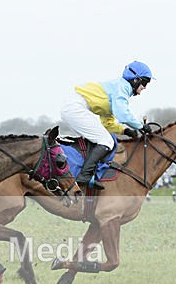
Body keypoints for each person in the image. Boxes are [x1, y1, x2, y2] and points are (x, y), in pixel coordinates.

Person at [60, 60, 153, 190]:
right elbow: (122, 113)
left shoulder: (115, 91)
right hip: (76, 108)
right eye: (145, 82)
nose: (145, 87)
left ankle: (84, 173)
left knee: (100, 139)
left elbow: (107, 123)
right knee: (106, 141)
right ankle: (85, 176)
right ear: (135, 80)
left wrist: (125, 131)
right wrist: (140, 126)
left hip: (73, 108)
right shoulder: (123, 87)